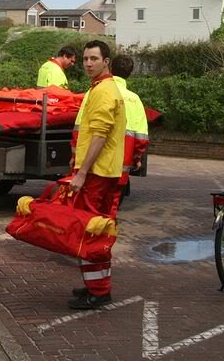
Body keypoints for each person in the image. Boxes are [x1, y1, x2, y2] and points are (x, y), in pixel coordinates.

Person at [68, 40, 125, 310]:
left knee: (91, 233)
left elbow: (100, 135)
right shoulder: (102, 88)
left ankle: (99, 292)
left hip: (98, 175)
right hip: (102, 173)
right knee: (96, 231)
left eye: (94, 58)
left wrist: (82, 172)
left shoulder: (103, 91)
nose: (88, 63)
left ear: (106, 61)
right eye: (85, 59)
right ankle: (95, 285)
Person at [110, 55, 149, 216]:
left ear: (111, 68)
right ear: (130, 73)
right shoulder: (135, 100)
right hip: (123, 161)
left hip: (99, 159)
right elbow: (141, 136)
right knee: (113, 204)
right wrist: (137, 158)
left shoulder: (97, 91)